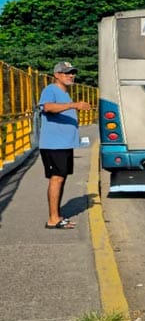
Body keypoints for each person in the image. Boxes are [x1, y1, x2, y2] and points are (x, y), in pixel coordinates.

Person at [39, 61, 91, 229]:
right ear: (57, 75)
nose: (71, 75)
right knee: (56, 179)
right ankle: (53, 218)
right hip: (54, 145)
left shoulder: (65, 93)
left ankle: (57, 216)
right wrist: (74, 105)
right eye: (66, 72)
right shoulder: (50, 90)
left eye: (72, 72)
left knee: (61, 179)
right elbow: (47, 107)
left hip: (63, 145)